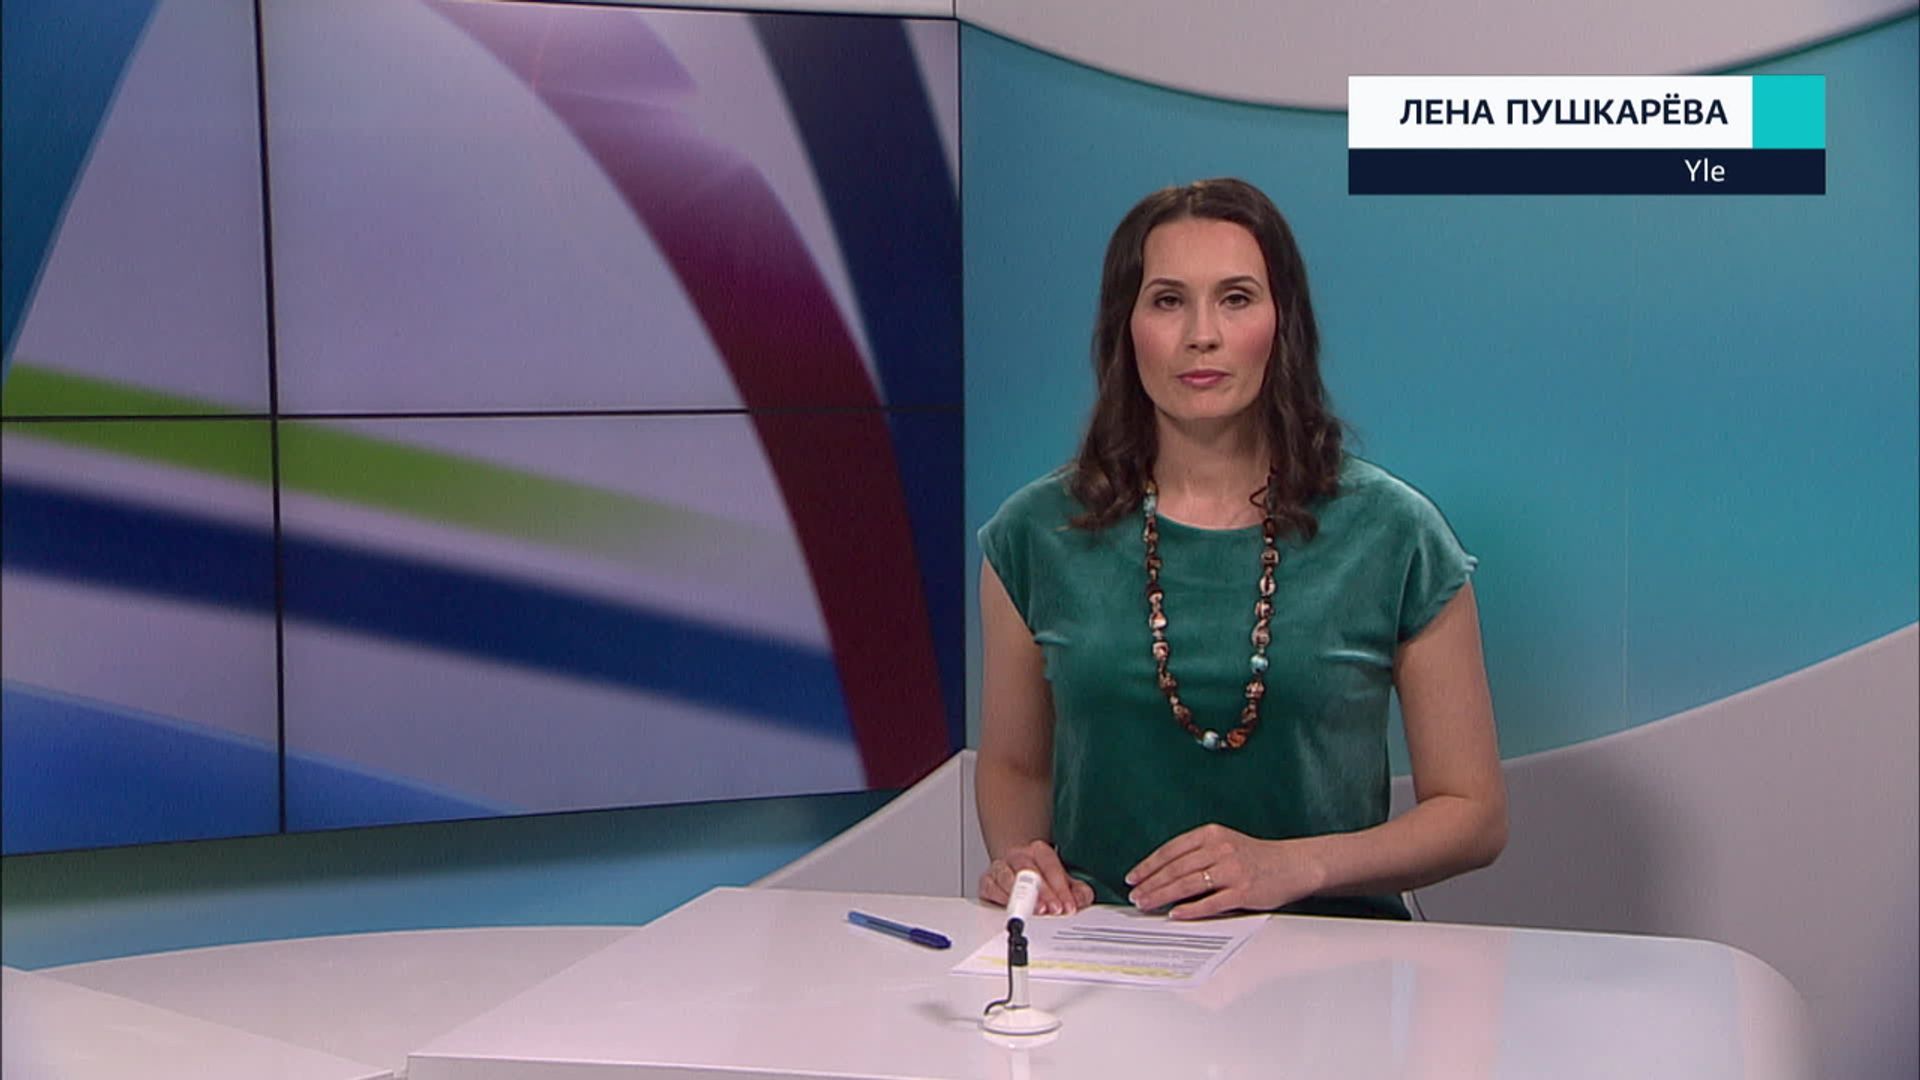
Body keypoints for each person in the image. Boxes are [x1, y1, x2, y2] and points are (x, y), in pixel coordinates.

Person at [975, 178, 1505, 921]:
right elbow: (1015, 766)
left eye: (1235, 298)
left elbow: (1473, 813)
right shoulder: (1036, 534)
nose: (1202, 334)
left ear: (1282, 322)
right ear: (1126, 326)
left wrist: (1295, 864)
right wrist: (1023, 863)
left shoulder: (1395, 534)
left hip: (1330, 959)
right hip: (1107, 956)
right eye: (1168, 300)